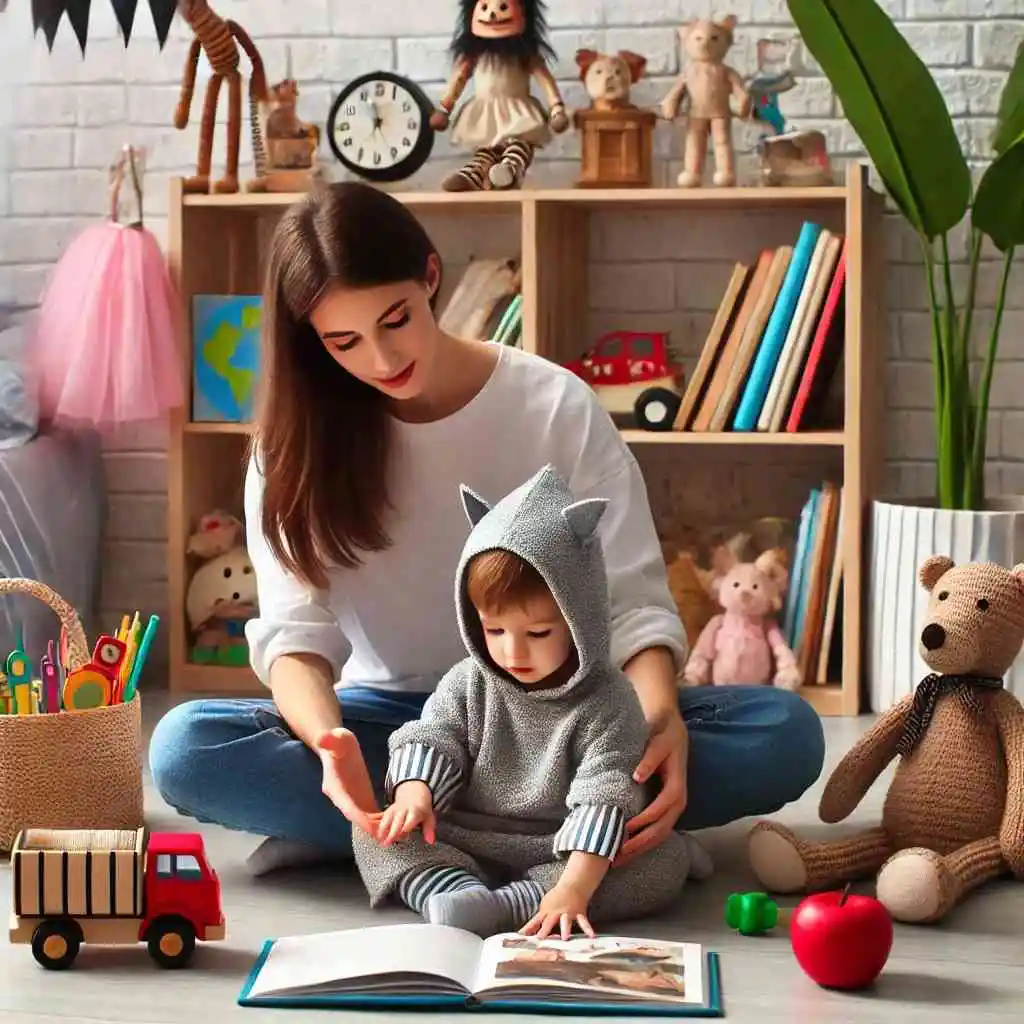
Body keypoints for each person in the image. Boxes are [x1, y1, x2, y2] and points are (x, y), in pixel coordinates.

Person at [148, 181, 824, 877]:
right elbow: (295, 639)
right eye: (344, 342)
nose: (381, 360)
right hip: (395, 721)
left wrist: (656, 719)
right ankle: (557, 835)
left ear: (431, 277)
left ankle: (389, 839)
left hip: (562, 719)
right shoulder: (292, 448)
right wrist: (329, 746)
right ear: (311, 341)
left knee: (784, 733)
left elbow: (632, 601)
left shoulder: (553, 403)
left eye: (396, 319)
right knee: (186, 748)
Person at [351, 464, 712, 939]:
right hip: (461, 836)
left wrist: (574, 888)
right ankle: (449, 890)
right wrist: (415, 795)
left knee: (657, 866)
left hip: (560, 848)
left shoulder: (610, 702)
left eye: (538, 633)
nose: (513, 652)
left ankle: (513, 904)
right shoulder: (468, 681)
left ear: (579, 618)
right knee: (373, 827)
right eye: (494, 630)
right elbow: (434, 737)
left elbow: (604, 796)